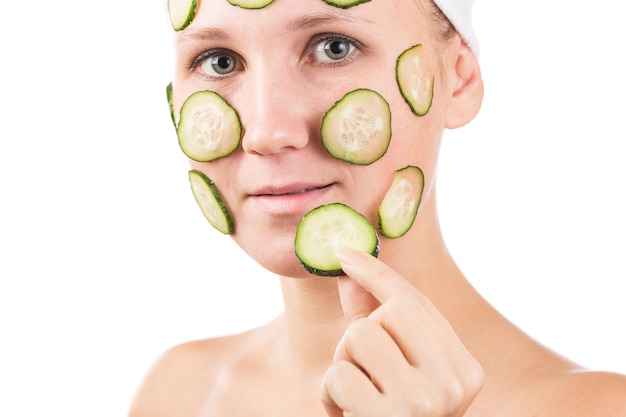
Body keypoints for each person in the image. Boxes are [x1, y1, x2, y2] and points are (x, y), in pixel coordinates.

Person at [129, 0, 626, 416]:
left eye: (333, 48)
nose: (265, 131)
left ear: (459, 77)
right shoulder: (178, 393)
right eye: (219, 60)